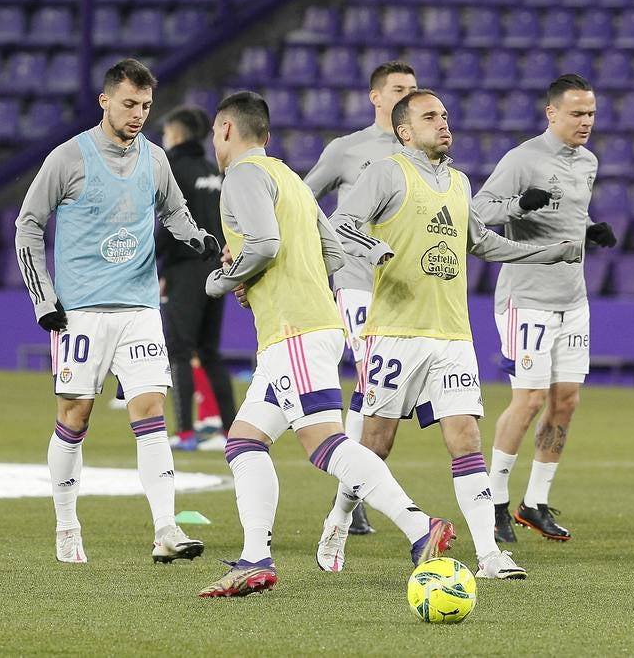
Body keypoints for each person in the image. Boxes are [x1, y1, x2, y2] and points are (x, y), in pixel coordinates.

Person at [317, 89, 583, 581]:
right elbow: (340, 223)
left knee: (466, 442)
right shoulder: (386, 172)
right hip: (395, 332)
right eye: (430, 116)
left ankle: (488, 555)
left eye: (445, 115)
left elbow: (482, 242)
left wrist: (548, 252)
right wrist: (373, 247)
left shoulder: (460, 183)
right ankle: (337, 519)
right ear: (404, 130)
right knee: (375, 447)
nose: (444, 123)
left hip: (453, 335)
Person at [196, 91, 454, 597]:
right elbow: (332, 250)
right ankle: (255, 558)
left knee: (324, 446)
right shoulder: (289, 178)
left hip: (293, 329)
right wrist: (282, 284)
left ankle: (419, 526)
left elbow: (265, 245)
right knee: (245, 441)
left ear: (225, 129)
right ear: (266, 136)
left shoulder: (243, 178)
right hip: (303, 325)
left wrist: (225, 279)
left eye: (215, 132)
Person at [14, 58, 219, 565]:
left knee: (149, 411)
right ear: (105, 100)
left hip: (139, 306)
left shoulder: (155, 158)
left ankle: (166, 529)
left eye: (146, 106)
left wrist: (195, 238)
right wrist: (43, 298)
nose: (138, 114)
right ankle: (66, 523)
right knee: (75, 416)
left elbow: (172, 209)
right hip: (80, 312)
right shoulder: (68, 157)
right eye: (129, 104)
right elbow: (28, 225)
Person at [472, 74, 617, 544]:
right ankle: (493, 502)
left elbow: (570, 217)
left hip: (572, 299)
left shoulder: (588, 163)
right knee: (529, 399)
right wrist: (518, 205)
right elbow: (475, 213)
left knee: (566, 401)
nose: (586, 122)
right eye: (577, 113)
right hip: (526, 299)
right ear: (551, 113)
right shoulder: (522, 159)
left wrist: (590, 231)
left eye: (591, 113)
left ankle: (533, 502)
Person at [304, 60, 418, 535]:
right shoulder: (348, 150)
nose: (407, 95)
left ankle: (353, 486)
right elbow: (303, 197)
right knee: (372, 379)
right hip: (356, 281)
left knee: (380, 389)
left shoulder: (423, 152)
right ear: (375, 97)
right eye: (398, 89)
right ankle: (354, 489)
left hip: (406, 288)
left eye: (414, 89)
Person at [158, 105, 234, 451]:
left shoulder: (170, 169)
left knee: (180, 351)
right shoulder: (214, 171)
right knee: (210, 352)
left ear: (175, 134)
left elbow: (165, 223)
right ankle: (232, 432)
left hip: (183, 269)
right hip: (217, 267)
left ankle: (186, 432)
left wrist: (158, 269)